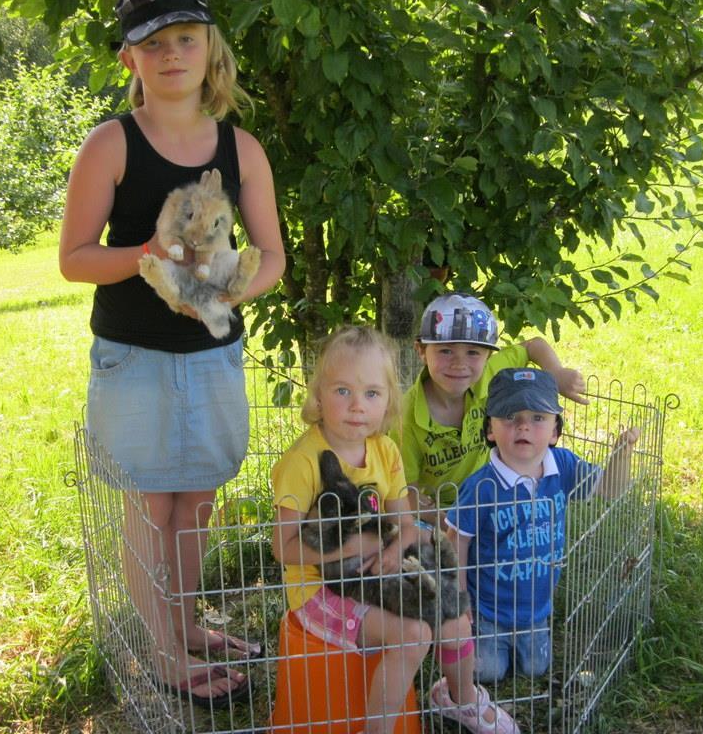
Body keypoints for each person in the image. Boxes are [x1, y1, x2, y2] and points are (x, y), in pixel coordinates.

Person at [58, 0, 285, 706]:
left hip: (213, 355)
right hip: (135, 359)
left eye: (185, 38)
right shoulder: (111, 144)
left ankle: (185, 624)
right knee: (151, 506)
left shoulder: (242, 149)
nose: (171, 54)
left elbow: (272, 256)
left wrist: (225, 291)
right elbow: (74, 259)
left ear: (209, 47)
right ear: (130, 57)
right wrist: (150, 259)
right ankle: (163, 653)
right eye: (152, 43)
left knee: (197, 504)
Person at [271, 326, 519, 734]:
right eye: (342, 391)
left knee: (455, 619)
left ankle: (461, 700)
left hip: (379, 573)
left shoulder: (384, 450)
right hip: (319, 588)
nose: (357, 406)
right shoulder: (303, 462)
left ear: (389, 400)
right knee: (413, 636)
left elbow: (405, 524)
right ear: (318, 396)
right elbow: (283, 548)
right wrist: (356, 545)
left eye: (372, 393)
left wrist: (390, 550)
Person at [446, 368, 641, 682]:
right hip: (488, 610)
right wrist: (459, 598)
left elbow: (610, 488)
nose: (523, 426)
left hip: (536, 609)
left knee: (536, 668)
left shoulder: (562, 465)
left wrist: (621, 455)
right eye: (510, 416)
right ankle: (474, 646)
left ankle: (523, 638)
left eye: (538, 417)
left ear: (554, 431)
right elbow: (457, 540)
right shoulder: (481, 487)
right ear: (490, 429)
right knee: (488, 671)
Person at [394, 292, 588, 518]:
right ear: (421, 351)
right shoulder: (405, 417)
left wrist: (555, 372)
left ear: (487, 356)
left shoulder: (490, 374)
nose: (459, 364)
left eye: (473, 353)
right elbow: (405, 490)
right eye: (446, 351)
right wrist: (450, 523)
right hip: (439, 511)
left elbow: (533, 346)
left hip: (494, 494)